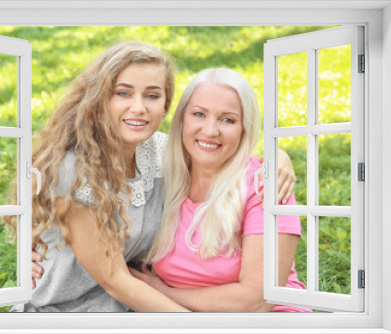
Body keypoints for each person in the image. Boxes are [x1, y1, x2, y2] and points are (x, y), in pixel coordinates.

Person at [23, 41, 297, 312]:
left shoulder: (161, 153)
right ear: (99, 98)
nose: (139, 107)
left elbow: (220, 150)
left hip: (137, 309)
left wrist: (277, 159)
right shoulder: (74, 171)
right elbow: (115, 280)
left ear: (166, 106)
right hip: (67, 311)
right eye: (123, 93)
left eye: (152, 95)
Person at [129, 68, 311, 312]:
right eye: (199, 114)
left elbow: (257, 301)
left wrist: (162, 293)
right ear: (182, 119)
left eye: (228, 120)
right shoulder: (164, 177)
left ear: (244, 128)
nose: (210, 130)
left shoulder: (265, 186)